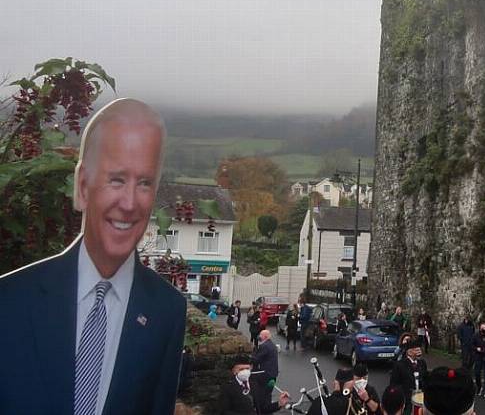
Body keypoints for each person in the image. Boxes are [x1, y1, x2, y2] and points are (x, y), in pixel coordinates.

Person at [0, 98, 187, 415]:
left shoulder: (167, 311)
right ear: (83, 186)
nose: (129, 203)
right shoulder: (10, 302)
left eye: (144, 183)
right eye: (117, 179)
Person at [217, 354, 289, 415]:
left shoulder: (255, 383)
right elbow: (224, 412)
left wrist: (279, 403)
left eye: (247, 368)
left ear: (251, 368)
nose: (245, 372)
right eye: (241, 369)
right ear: (233, 371)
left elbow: (262, 408)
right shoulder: (227, 388)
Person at [389, 338, 428, 405]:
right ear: (409, 352)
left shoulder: (422, 363)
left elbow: (425, 379)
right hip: (406, 400)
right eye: (416, 350)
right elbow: (394, 384)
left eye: (420, 350)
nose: (419, 352)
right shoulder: (399, 365)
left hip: (420, 399)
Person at [251, 329, 280, 414]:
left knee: (262, 395)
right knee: (268, 394)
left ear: (265, 337)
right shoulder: (272, 345)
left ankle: (264, 411)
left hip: (265, 376)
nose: (259, 336)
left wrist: (249, 357)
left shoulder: (264, 346)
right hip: (273, 375)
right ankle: (269, 411)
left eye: (260, 335)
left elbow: (256, 359)